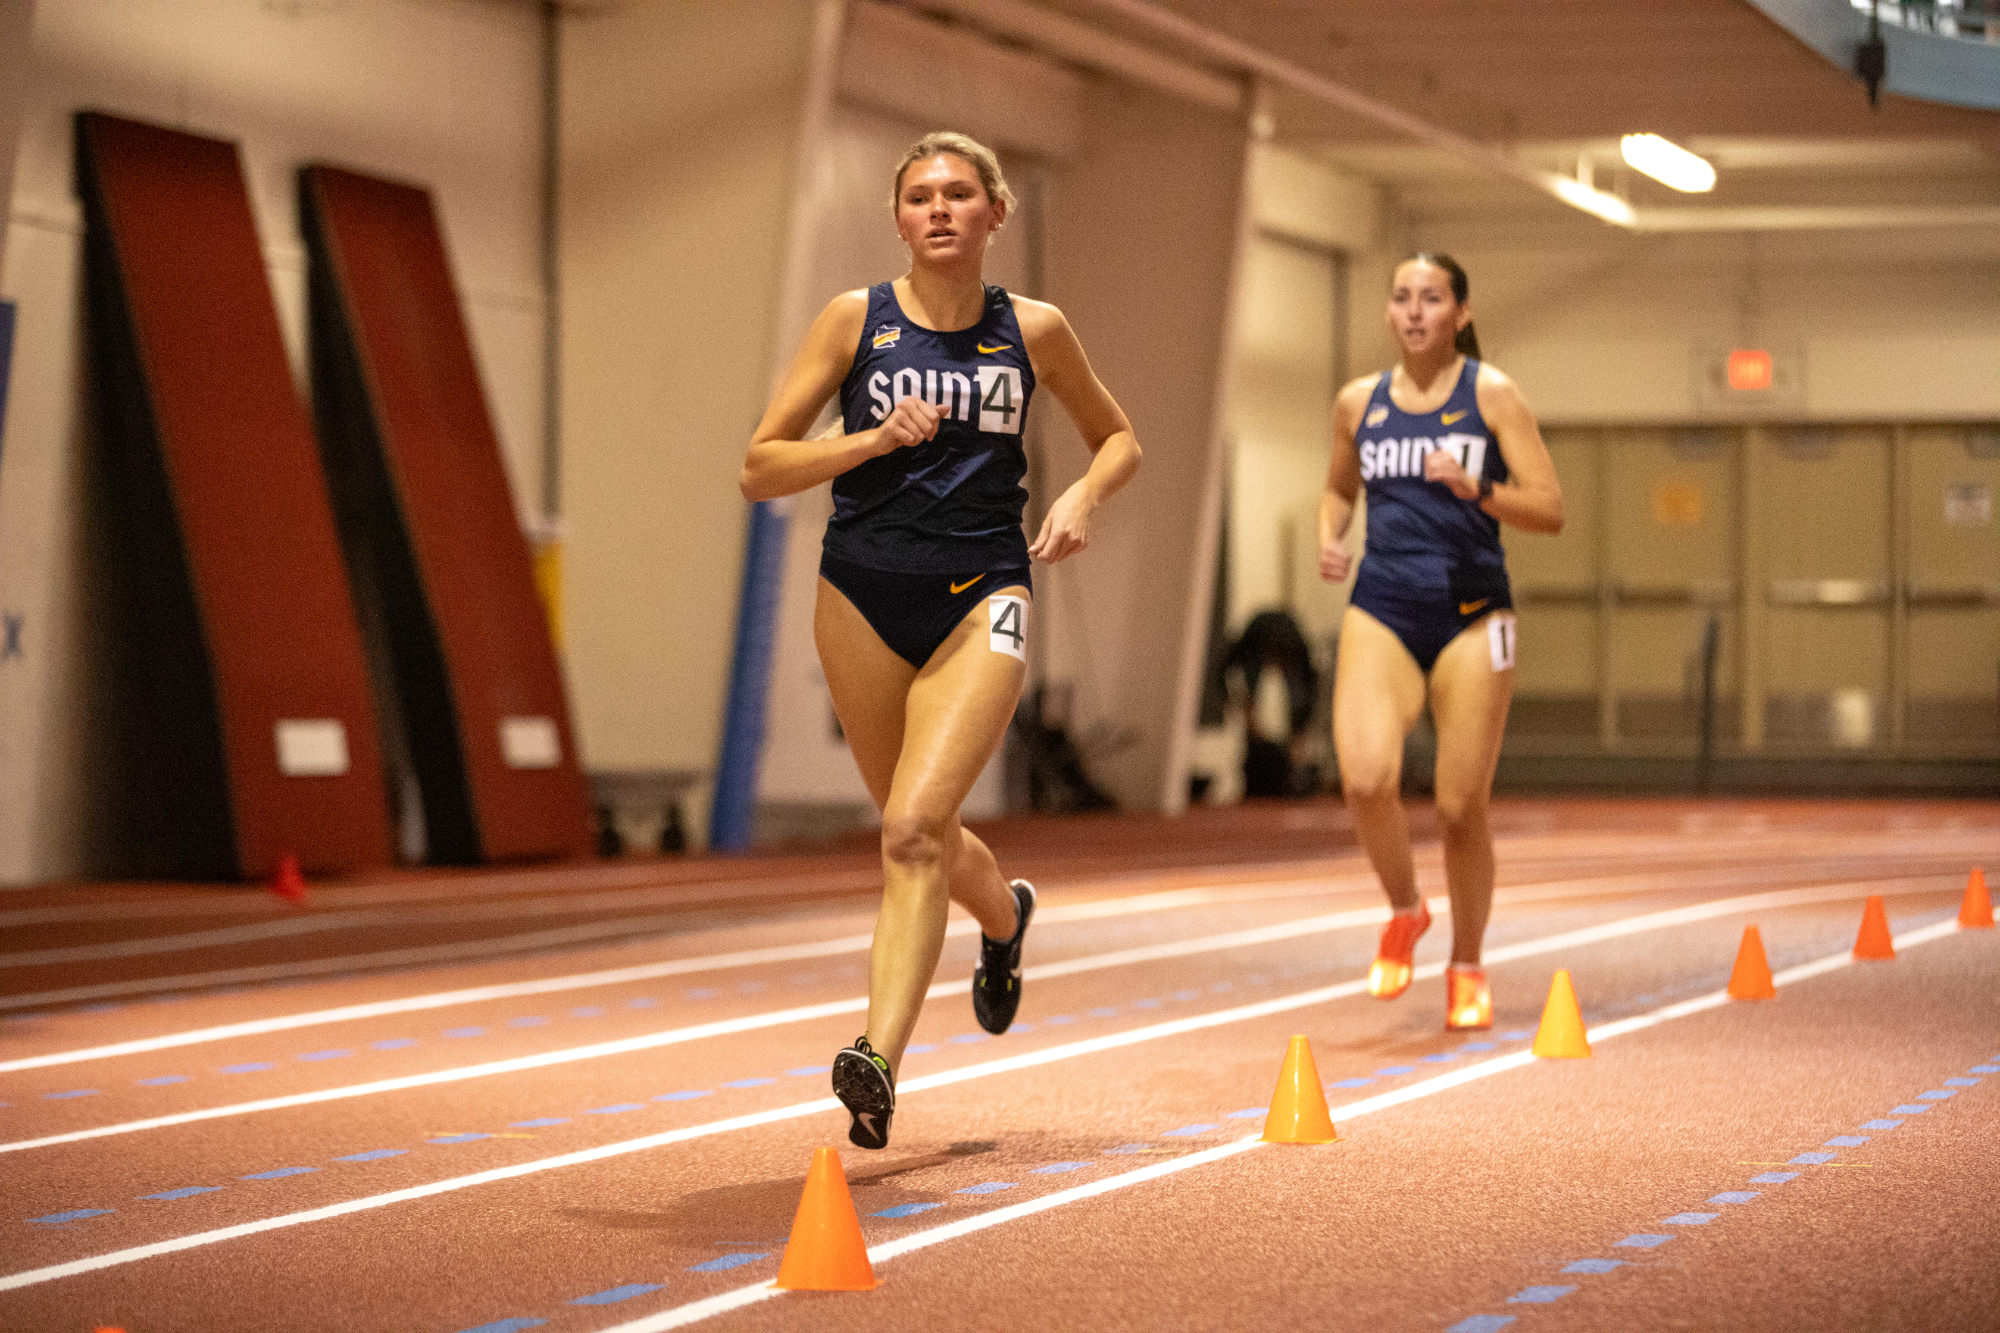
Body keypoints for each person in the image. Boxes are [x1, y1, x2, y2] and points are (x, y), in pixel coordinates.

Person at [740, 131, 1140, 1149]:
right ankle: (1003, 917)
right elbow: (760, 465)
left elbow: (1119, 437)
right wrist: (870, 438)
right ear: (898, 219)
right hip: (861, 594)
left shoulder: (1034, 329)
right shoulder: (855, 321)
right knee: (916, 830)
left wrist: (1081, 497)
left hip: (982, 594)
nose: (939, 209)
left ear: (995, 212)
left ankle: (875, 1058)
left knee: (915, 827)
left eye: (959, 193)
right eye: (919, 196)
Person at [1317, 253, 1562, 1030]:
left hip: (1473, 612)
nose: (1415, 311)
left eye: (1431, 298)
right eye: (1402, 297)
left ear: (1461, 313)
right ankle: (1405, 907)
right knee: (1365, 779)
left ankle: (1467, 961)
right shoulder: (1358, 401)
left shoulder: (1491, 394)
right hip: (1383, 604)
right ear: (1389, 313)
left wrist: (1476, 488)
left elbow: (1550, 507)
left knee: (1459, 806)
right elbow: (1338, 487)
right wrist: (1330, 534)